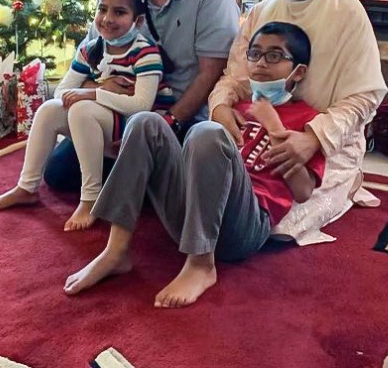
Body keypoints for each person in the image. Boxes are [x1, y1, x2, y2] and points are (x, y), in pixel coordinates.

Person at [63, 21, 324, 307]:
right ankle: (116, 251)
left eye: (274, 56)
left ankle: (201, 264)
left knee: (206, 132)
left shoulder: (308, 119)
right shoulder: (233, 108)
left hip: (244, 227)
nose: (261, 63)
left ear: (298, 71)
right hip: (193, 216)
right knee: (145, 122)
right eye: (255, 54)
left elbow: (303, 191)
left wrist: (274, 127)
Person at [209, 0, 388, 245]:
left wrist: (313, 139)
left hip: (326, 144)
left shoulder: (349, 14)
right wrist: (220, 106)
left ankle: (348, 180)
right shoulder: (263, 10)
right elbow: (234, 76)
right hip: (261, 130)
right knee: (222, 201)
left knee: (278, 225)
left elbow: (365, 97)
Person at [42, 0, 241, 191]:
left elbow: (211, 74)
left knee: (169, 175)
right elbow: (91, 58)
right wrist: (104, 88)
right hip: (120, 113)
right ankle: (140, 179)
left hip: (181, 118)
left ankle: (146, 179)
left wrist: (169, 120)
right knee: (58, 174)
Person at [0, 0, 174, 231]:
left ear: (137, 21)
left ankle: (91, 198)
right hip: (105, 119)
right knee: (49, 110)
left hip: (136, 129)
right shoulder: (91, 49)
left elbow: (140, 105)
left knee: (82, 109)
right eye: (102, 9)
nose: (107, 18)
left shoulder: (145, 53)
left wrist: (91, 96)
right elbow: (61, 92)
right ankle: (27, 187)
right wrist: (99, 89)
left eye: (119, 12)